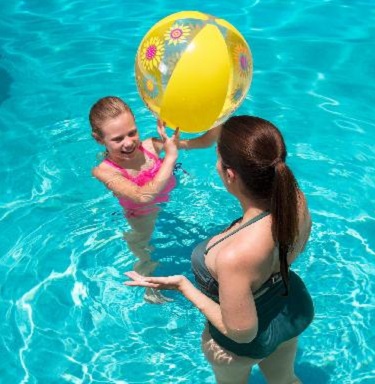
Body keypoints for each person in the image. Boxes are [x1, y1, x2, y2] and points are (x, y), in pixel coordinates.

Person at [125, 115, 314, 383]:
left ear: (230, 174)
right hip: (291, 307)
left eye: (218, 159)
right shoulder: (294, 199)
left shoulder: (234, 255)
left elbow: (242, 332)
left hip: (243, 347)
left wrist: (183, 286)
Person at [89, 96, 219, 303]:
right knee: (144, 251)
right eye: (118, 139)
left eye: (132, 133)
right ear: (99, 139)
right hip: (141, 213)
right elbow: (143, 196)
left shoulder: (151, 146)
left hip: (170, 199)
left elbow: (204, 142)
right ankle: (150, 290)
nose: (129, 143)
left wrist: (220, 115)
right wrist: (170, 157)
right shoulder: (103, 171)